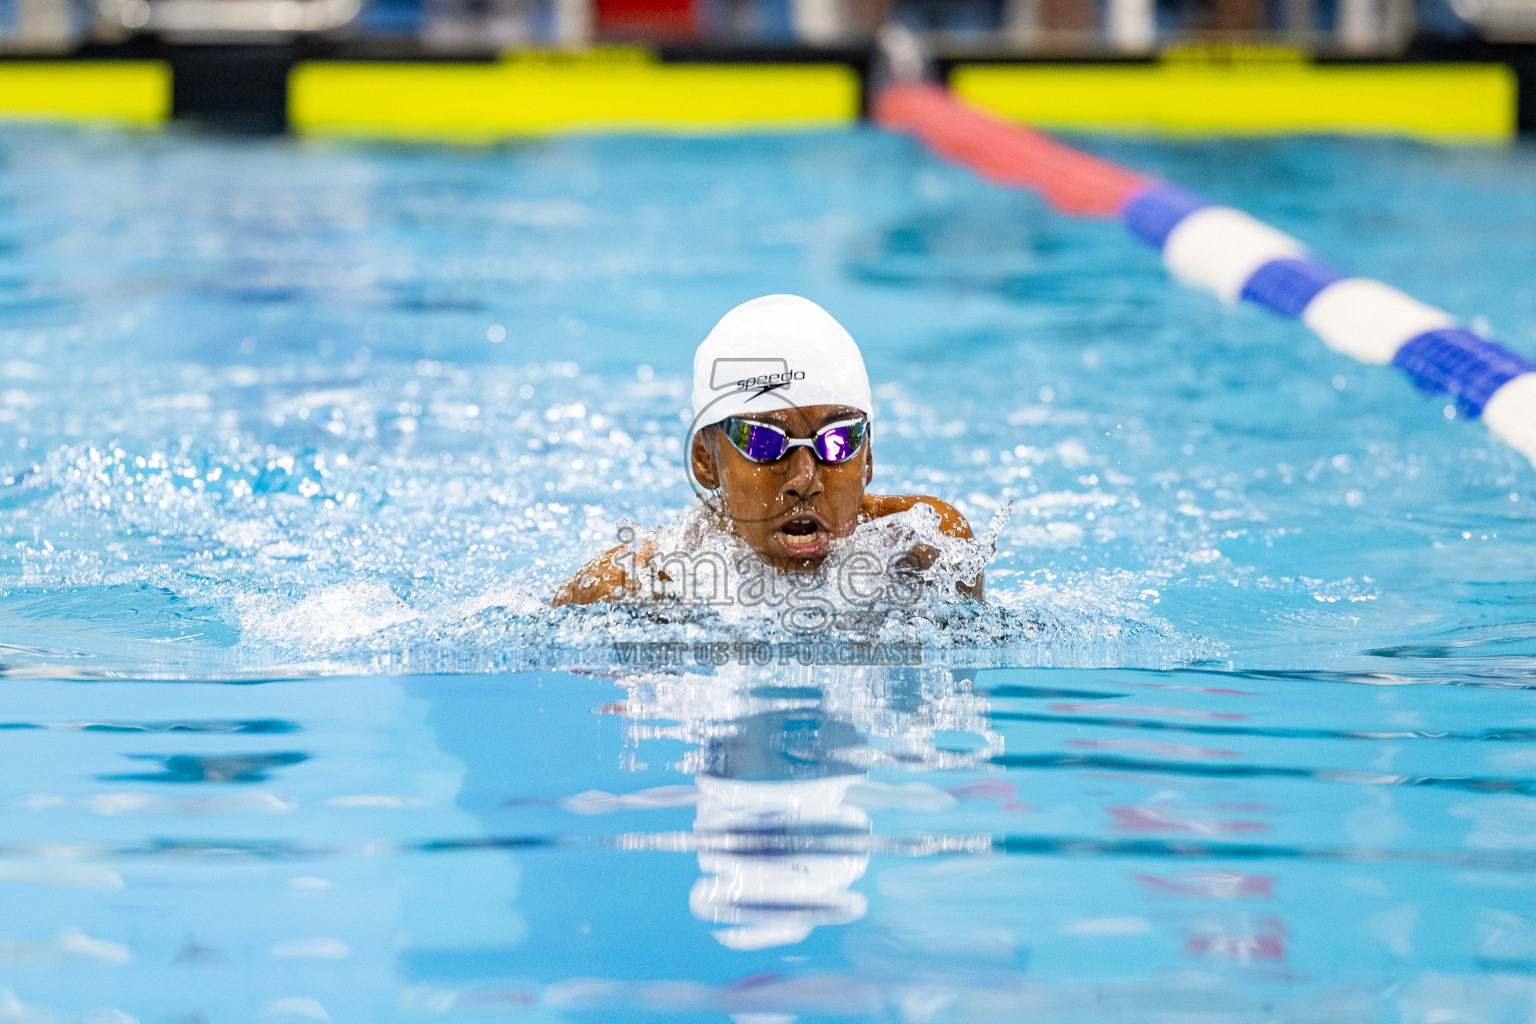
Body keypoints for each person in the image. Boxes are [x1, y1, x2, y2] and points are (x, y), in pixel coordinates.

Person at [552, 294, 980, 607]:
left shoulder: (925, 548)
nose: (804, 481)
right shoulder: (633, 586)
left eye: (838, 441)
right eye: (763, 442)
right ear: (705, 459)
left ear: (867, 457)